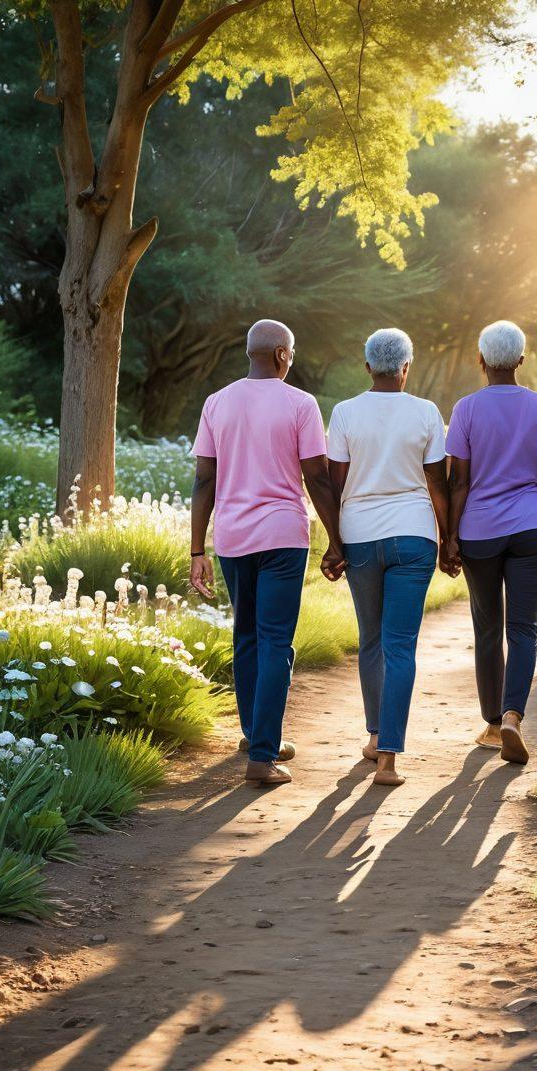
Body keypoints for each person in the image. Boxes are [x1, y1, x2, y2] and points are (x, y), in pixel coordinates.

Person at [189, 319, 344, 787]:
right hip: (282, 536)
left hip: (232, 539)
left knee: (248, 636)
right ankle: (262, 755)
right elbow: (316, 476)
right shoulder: (300, 403)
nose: (291, 358)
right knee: (276, 640)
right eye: (291, 352)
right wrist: (337, 540)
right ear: (281, 355)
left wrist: (197, 550)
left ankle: (258, 734)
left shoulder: (217, 402)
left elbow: (203, 480)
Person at [327, 328, 449, 787]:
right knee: (401, 646)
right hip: (415, 536)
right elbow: (437, 482)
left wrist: (334, 542)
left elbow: (333, 485)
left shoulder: (344, 413)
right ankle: (389, 759)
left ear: (366, 367)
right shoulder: (426, 412)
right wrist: (449, 537)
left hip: (359, 536)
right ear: (406, 367)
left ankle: (376, 736)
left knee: (371, 640)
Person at [445, 320, 537, 766]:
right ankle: (515, 713)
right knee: (523, 627)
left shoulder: (465, 409)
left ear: (480, 360)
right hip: (532, 526)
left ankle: (494, 725)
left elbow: (458, 480)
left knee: (487, 628)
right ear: (521, 359)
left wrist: (450, 537)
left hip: (480, 531)